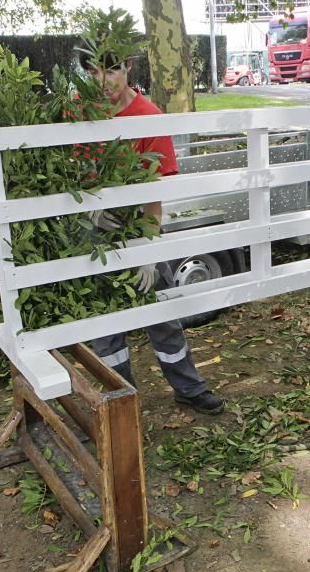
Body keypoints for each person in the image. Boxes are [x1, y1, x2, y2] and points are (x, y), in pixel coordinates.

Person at [80, 49, 224, 415]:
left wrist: (146, 251)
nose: (103, 81)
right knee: (107, 320)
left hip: (140, 226)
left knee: (161, 310)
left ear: (127, 67)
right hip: (94, 233)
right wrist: (86, 206)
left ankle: (189, 388)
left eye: (111, 70)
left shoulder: (148, 117)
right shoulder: (78, 112)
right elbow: (66, 171)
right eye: (94, 71)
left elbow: (155, 193)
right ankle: (121, 401)